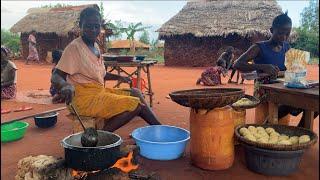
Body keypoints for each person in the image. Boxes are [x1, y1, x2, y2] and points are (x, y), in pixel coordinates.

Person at [51, 7, 161, 132]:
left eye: (96, 26)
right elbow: (56, 75)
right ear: (80, 25)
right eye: (88, 26)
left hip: (98, 92)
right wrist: (64, 85)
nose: (93, 30)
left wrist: (119, 77)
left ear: (100, 27)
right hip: (83, 99)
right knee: (135, 106)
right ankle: (100, 137)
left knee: (135, 92)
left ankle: (160, 127)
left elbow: (100, 74)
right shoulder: (74, 48)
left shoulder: (96, 46)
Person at [233, 12, 318, 127]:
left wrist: (296, 69)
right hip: (264, 90)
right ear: (272, 30)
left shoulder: (287, 47)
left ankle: (301, 132)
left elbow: (292, 69)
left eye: (287, 34)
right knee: (293, 103)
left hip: (283, 88)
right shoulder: (259, 47)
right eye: (280, 33)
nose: (284, 37)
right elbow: (237, 64)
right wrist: (263, 67)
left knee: (315, 104)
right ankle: (267, 124)